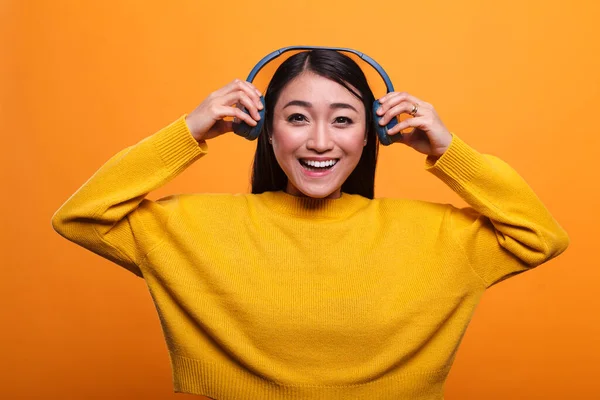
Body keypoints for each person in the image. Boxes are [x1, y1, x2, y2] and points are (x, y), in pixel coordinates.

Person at [51, 49, 569, 400]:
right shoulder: (191, 227)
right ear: (264, 131)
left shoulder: (440, 238)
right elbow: (81, 216)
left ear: (374, 135)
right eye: (297, 117)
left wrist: (448, 150)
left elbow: (539, 235)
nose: (320, 141)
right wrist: (190, 131)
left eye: (343, 119)